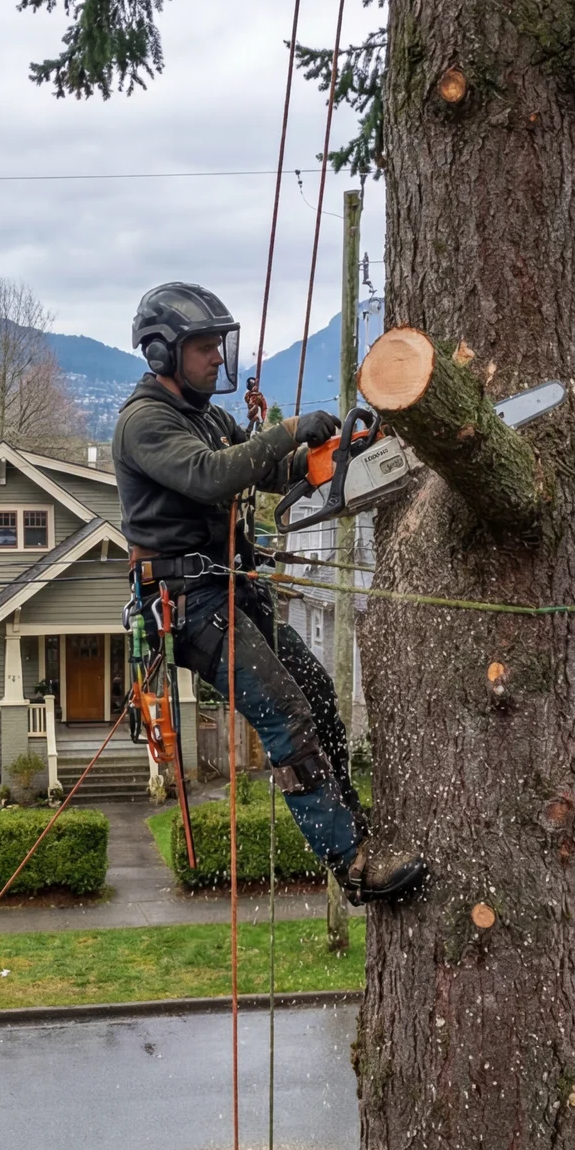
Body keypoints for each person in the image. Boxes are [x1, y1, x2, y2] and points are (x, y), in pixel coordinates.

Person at [113, 281, 425, 904]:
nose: (216, 359)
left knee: (318, 693)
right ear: (162, 352)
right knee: (286, 713)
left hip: (233, 590)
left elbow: (270, 468)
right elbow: (211, 476)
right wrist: (286, 429)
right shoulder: (144, 422)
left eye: (217, 346)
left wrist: (335, 455)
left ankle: (354, 823)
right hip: (188, 605)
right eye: (203, 348)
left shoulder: (209, 417)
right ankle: (352, 863)